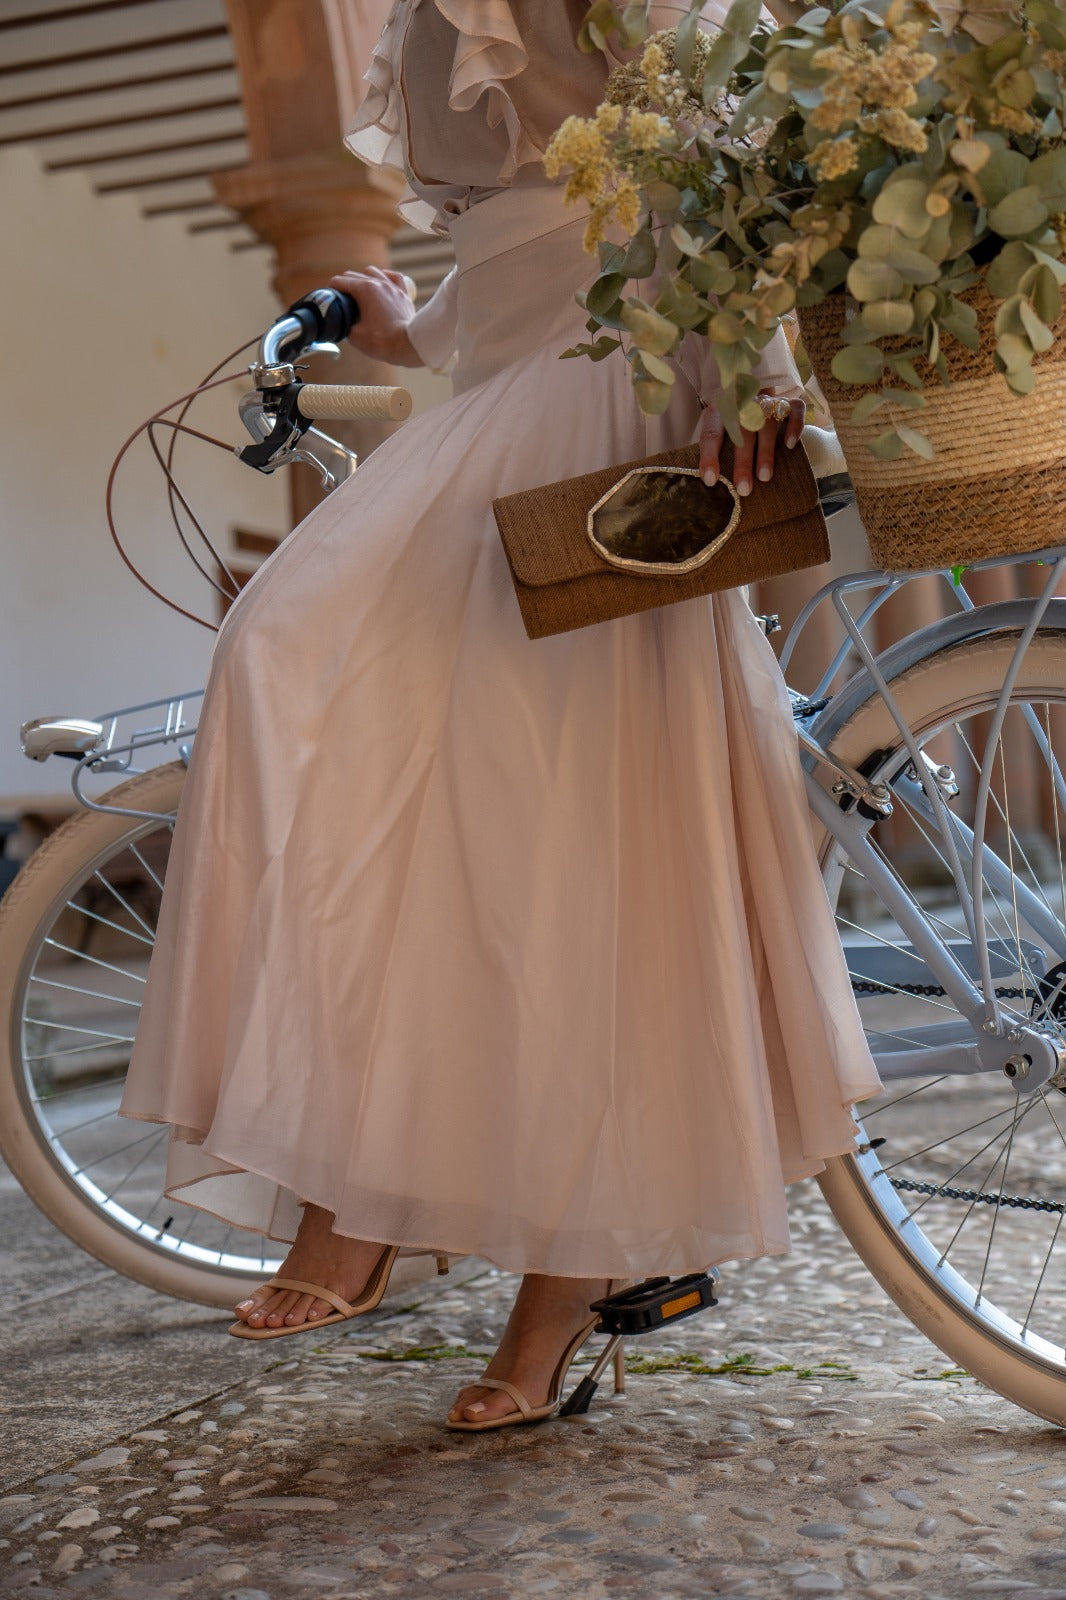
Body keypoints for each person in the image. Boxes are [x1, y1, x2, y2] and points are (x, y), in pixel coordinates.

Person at [120, 0, 881, 1432]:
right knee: (448, 772)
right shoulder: (427, 17)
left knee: (545, 805)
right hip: (511, 391)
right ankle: (399, 1202)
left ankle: (454, 1242)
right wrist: (407, 324)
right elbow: (515, 243)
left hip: (611, 396)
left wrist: (757, 374)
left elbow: (719, 157)